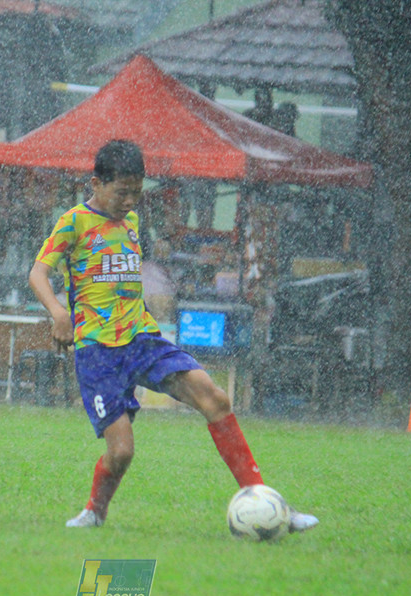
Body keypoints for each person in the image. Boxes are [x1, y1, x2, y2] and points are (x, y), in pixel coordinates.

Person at [28, 139, 318, 531]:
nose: (130, 200)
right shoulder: (74, 222)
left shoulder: (130, 222)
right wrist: (58, 312)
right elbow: (37, 273)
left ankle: (266, 501)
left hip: (142, 338)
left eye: (136, 191)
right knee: (122, 452)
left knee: (215, 398)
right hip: (98, 352)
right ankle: (95, 511)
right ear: (96, 184)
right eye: (122, 191)